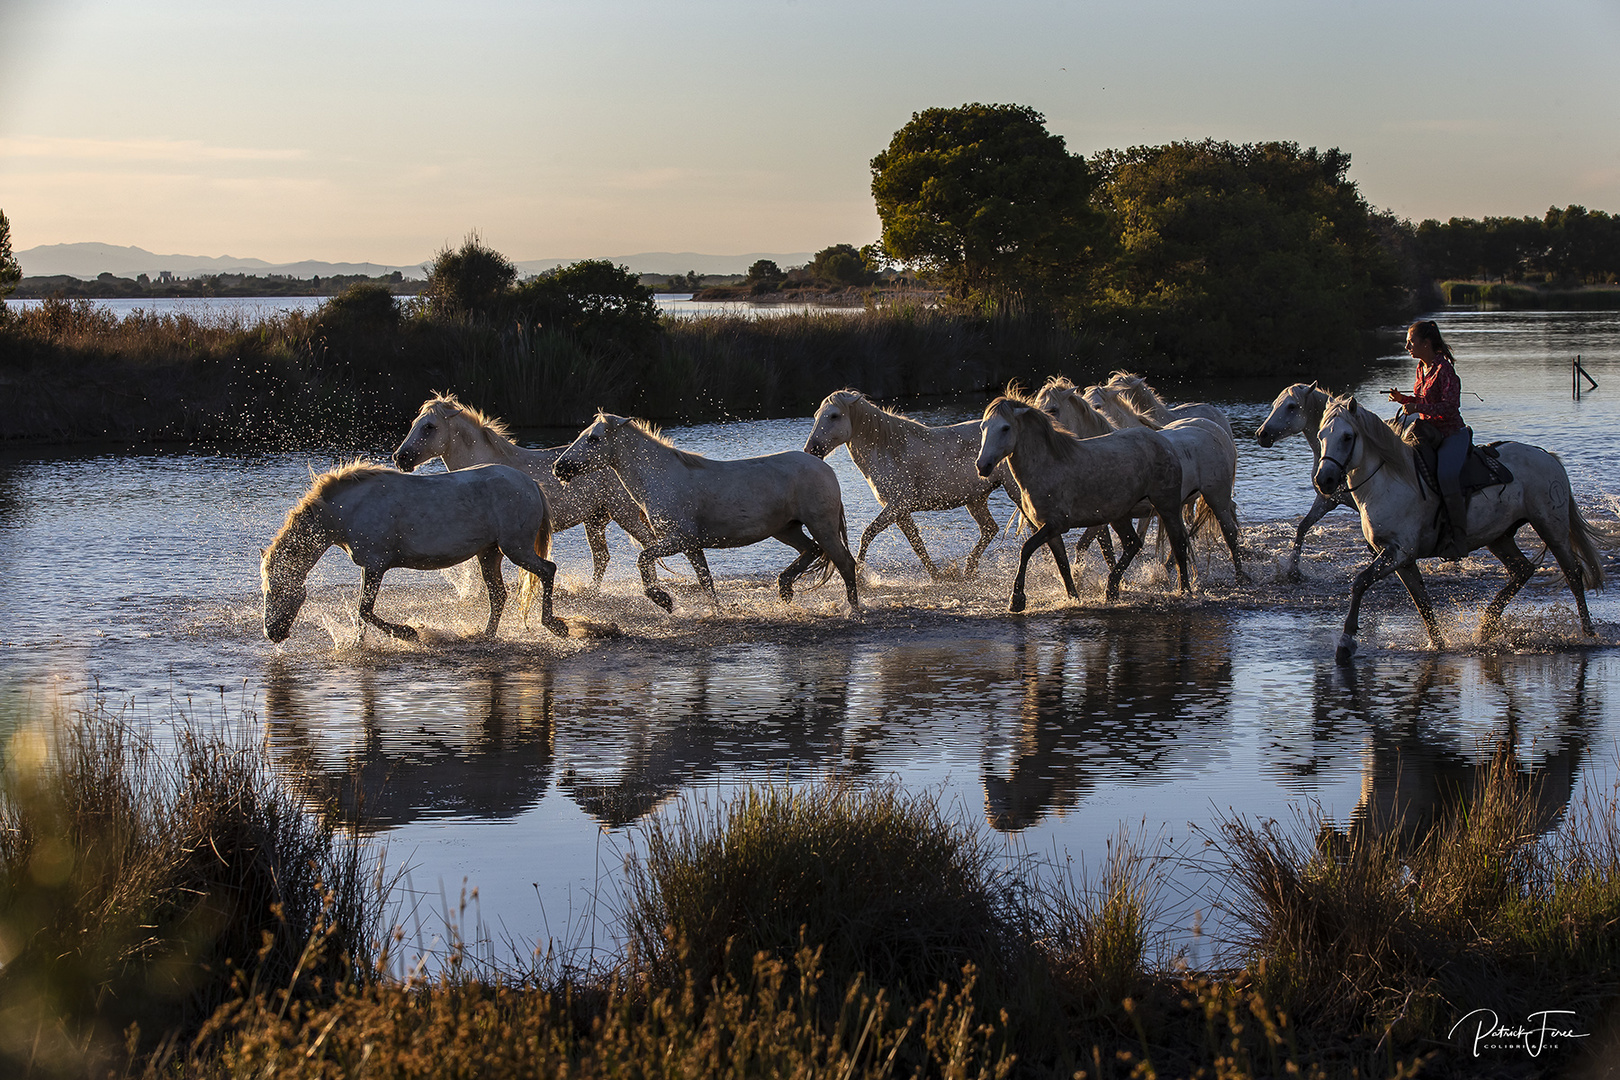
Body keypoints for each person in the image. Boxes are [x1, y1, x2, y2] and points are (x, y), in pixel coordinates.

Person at [1387, 320, 1470, 557]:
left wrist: (1414, 407)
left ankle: (1459, 539)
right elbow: (1425, 400)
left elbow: (1450, 407)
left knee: (1445, 476)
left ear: (1426, 343)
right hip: (1429, 432)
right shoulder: (1421, 368)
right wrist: (1405, 399)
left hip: (1451, 434)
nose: (1406, 347)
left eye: (1410, 342)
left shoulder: (1445, 370)